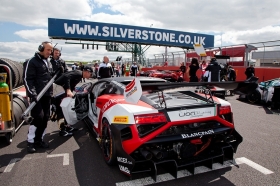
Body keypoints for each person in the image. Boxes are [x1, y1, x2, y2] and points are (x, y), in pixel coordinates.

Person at [24, 41, 58, 153]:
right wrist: (32, 93)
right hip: (37, 96)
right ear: (41, 48)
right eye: (48, 50)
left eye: (51, 50)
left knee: (45, 117)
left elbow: (50, 77)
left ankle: (39, 139)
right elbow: (28, 79)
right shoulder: (32, 62)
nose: (50, 52)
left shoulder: (48, 62)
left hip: (47, 94)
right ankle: (30, 141)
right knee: (38, 117)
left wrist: (58, 72)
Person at [53, 66, 93, 136]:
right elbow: (66, 76)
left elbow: (71, 81)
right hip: (59, 90)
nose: (91, 76)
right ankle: (62, 130)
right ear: (87, 72)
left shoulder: (80, 75)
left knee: (65, 110)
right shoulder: (78, 73)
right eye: (91, 74)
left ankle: (66, 127)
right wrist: (68, 89)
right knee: (61, 111)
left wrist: (72, 89)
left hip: (62, 90)